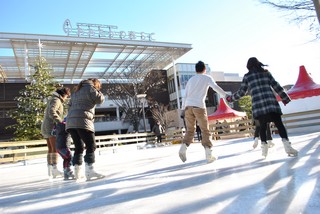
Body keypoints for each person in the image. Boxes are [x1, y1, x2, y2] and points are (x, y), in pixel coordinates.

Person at [226, 57, 298, 158]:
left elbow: (242, 92)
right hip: (271, 103)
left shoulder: (247, 77)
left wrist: (230, 99)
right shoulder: (266, 73)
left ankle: (264, 150)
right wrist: (285, 98)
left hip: (259, 106)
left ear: (248, 66)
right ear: (258, 63)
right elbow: (276, 86)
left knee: (263, 127)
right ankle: (287, 147)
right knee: (280, 125)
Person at [179, 61, 228, 163]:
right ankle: (209, 155)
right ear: (204, 69)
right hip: (199, 106)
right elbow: (215, 87)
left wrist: (183, 109)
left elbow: (185, 95)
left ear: (196, 70)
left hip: (188, 107)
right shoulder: (207, 77)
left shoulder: (191, 80)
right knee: (205, 130)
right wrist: (225, 95)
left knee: (190, 130)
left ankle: (183, 148)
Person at [66, 78, 105, 181]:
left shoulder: (76, 91)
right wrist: (97, 90)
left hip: (70, 123)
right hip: (83, 121)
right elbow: (100, 99)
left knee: (79, 147)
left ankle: (77, 173)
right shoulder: (90, 89)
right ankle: (89, 171)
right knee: (91, 145)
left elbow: (68, 106)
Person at [41, 87, 71, 179]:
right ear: (64, 94)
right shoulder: (56, 100)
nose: (66, 98)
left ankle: (51, 170)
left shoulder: (53, 98)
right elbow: (52, 111)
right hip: (51, 127)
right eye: (66, 96)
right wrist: (60, 121)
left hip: (46, 126)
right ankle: (54, 169)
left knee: (51, 149)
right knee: (54, 148)